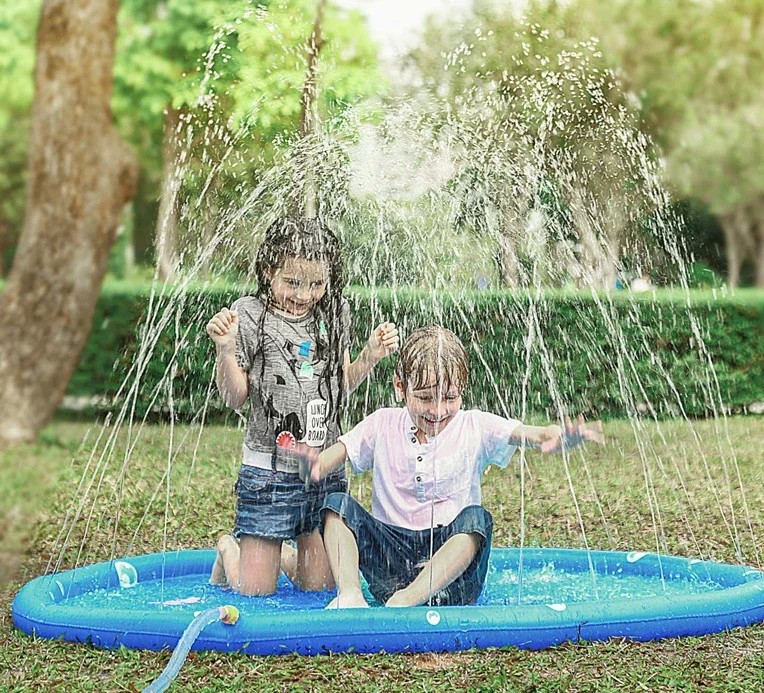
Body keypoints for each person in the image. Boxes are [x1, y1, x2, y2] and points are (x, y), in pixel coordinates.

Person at [291, 325, 604, 609]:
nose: (438, 411)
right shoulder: (382, 423)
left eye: (450, 398)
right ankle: (350, 595)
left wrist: (558, 437)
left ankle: (408, 599)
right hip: (390, 562)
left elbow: (532, 433)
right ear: (400, 387)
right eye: (425, 398)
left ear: (462, 389)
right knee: (336, 507)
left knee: (476, 520)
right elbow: (337, 454)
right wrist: (314, 465)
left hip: (452, 578)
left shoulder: (475, 425)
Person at [206, 216, 399, 596]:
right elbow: (235, 398)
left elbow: (339, 383)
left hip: (321, 470)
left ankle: (276, 558)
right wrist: (226, 349)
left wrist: (370, 356)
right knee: (255, 593)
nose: (305, 295)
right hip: (269, 472)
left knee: (320, 588)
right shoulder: (250, 315)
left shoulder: (334, 312)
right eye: (293, 282)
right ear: (267, 270)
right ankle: (230, 549)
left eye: (317, 284)